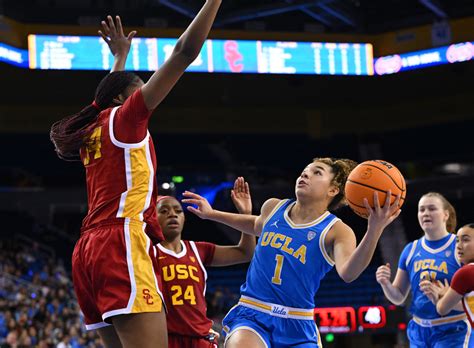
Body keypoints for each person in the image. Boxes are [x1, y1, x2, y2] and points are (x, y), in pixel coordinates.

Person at [49, 2, 223, 347]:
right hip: (120, 241)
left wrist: (119, 59)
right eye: (139, 87)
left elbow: (106, 96)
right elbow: (185, 51)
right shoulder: (127, 120)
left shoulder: (91, 129)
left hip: (88, 251)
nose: (146, 92)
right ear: (123, 98)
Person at [182, 157, 401, 347]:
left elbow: (348, 273)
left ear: (333, 190)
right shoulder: (274, 207)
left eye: (317, 172)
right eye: (305, 171)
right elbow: (256, 224)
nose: (305, 174)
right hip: (253, 313)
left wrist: (374, 229)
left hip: (298, 322)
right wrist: (212, 214)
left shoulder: (337, 231)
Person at [157, 177, 256, 348]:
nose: (172, 214)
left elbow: (245, 252)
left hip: (200, 338)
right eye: (164, 211)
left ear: (184, 218)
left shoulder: (198, 249)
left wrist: (245, 214)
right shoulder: (147, 252)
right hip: (166, 339)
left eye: (177, 211)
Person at [376, 192, 473, 347]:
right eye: (421, 210)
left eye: (432, 208)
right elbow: (399, 297)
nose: (426, 213)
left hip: (453, 329)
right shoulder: (410, 250)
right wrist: (385, 283)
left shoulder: (460, 247)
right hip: (419, 330)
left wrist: (444, 299)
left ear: (445, 215)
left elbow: (472, 304)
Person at [421, 223, 474, 328]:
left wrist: (440, 295)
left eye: (466, 240)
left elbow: (442, 309)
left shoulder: (465, 273)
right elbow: (467, 306)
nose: (458, 246)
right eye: (457, 240)